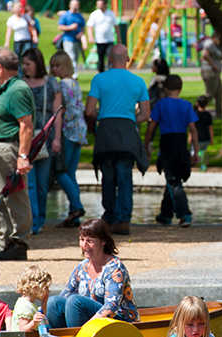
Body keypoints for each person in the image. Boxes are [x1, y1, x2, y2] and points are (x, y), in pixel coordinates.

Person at [86, 44, 149, 236]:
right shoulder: (138, 82)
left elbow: (89, 110)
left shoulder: (99, 79)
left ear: (109, 60)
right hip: (127, 132)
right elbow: (146, 114)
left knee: (108, 176)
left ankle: (110, 215)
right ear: (127, 59)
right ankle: (124, 219)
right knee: (124, 176)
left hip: (106, 130)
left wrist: (101, 119)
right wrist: (130, 119)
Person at [0, 48, 33, 261]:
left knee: (15, 196)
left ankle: (19, 242)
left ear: (1, 68)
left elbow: (26, 125)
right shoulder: (9, 89)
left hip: (8, 150)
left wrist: (22, 156)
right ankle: (4, 242)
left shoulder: (17, 90)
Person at [45, 219, 139, 328]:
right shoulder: (82, 267)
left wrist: (85, 329)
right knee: (53, 302)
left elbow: (111, 308)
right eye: (82, 240)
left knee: (75, 301)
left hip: (120, 322)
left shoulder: (115, 268)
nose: (84, 245)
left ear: (103, 241)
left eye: (90, 241)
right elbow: (65, 295)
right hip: (93, 322)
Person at [146, 74, 198, 227]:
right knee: (174, 179)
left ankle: (184, 214)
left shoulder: (161, 105)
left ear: (165, 88)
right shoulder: (187, 105)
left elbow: (151, 127)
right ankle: (165, 214)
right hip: (181, 145)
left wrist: (146, 144)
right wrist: (195, 150)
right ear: (180, 89)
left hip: (167, 145)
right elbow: (193, 130)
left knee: (173, 181)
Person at [21, 48, 62, 235]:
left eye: (28, 64)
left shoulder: (51, 84)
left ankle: (40, 218)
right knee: (29, 182)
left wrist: (58, 138)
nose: (24, 67)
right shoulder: (20, 84)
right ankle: (32, 220)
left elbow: (57, 112)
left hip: (45, 136)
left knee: (43, 183)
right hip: (27, 136)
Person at [50, 51, 87, 228]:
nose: (54, 69)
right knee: (70, 173)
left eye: (57, 65)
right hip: (80, 131)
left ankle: (77, 206)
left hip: (69, 131)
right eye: (53, 65)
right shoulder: (75, 83)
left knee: (61, 171)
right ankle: (74, 213)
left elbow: (68, 109)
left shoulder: (63, 85)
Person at [7, 265, 51, 332]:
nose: (48, 291)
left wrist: (44, 302)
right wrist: (33, 323)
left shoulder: (29, 304)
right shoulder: (25, 306)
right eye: (46, 288)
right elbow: (22, 329)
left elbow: (42, 316)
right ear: (35, 288)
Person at [4, 1, 38, 74]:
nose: (20, 8)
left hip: (27, 40)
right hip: (17, 41)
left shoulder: (25, 16)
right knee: (17, 58)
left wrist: (35, 36)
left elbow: (32, 27)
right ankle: (20, 74)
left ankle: (27, 73)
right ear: (14, 9)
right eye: (18, 7)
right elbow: (9, 31)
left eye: (21, 7)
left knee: (26, 57)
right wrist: (7, 42)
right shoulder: (11, 19)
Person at [57, 0, 88, 77]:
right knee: (71, 57)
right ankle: (73, 75)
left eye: (77, 5)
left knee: (76, 58)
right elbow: (60, 27)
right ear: (70, 5)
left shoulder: (79, 16)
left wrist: (81, 34)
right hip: (68, 39)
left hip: (77, 40)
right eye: (74, 5)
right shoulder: (65, 15)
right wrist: (70, 27)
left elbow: (83, 28)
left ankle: (71, 73)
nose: (75, 6)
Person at [86, 0, 118, 73]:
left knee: (110, 57)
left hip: (110, 40)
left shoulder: (111, 14)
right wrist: (90, 36)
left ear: (105, 5)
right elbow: (89, 26)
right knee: (100, 58)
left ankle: (111, 73)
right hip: (99, 41)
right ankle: (101, 73)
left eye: (101, 4)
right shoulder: (94, 14)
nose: (99, 6)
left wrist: (118, 38)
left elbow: (116, 26)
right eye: (98, 4)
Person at [200, 33, 222, 118]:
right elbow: (204, 55)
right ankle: (197, 110)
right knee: (210, 94)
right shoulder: (209, 44)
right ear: (215, 37)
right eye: (219, 38)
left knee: (219, 94)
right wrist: (214, 66)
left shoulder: (215, 45)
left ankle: (219, 114)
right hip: (210, 73)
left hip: (215, 73)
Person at [194, 94, 213, 172]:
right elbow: (210, 128)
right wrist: (211, 138)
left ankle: (200, 164)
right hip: (206, 136)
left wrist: (190, 137)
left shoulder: (194, 114)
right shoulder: (208, 115)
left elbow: (192, 128)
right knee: (203, 151)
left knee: (198, 151)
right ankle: (203, 164)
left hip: (197, 137)